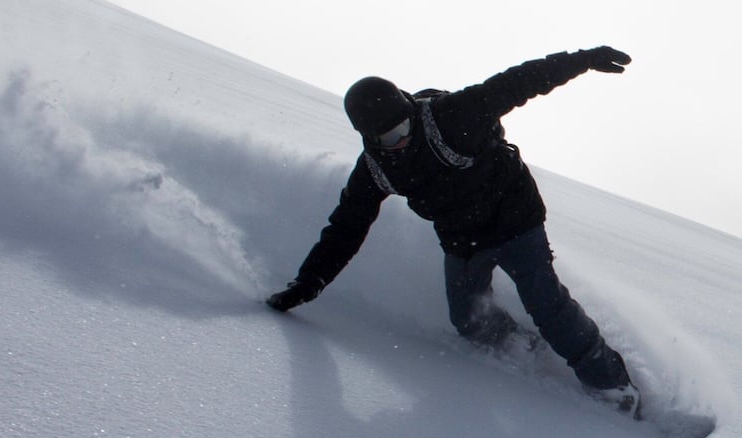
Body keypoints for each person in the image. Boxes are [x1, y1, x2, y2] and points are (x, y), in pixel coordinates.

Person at [266, 46, 642, 418]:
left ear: (410, 111)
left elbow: (520, 81)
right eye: (385, 137)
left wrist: (584, 59)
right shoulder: (375, 169)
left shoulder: (453, 115)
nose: (398, 140)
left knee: (545, 304)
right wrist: (308, 283)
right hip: (462, 239)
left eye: (402, 127)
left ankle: (615, 389)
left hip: (515, 219)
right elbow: (345, 228)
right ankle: (531, 352)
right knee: (469, 321)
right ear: (367, 138)